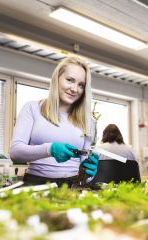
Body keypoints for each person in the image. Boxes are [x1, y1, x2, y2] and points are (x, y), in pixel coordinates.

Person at [9, 56, 99, 186]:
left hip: (73, 185)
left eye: (81, 85)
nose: (74, 89)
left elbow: (85, 170)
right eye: (69, 80)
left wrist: (89, 172)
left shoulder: (88, 121)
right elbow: (15, 153)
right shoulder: (33, 108)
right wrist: (49, 149)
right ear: (57, 79)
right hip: (36, 184)